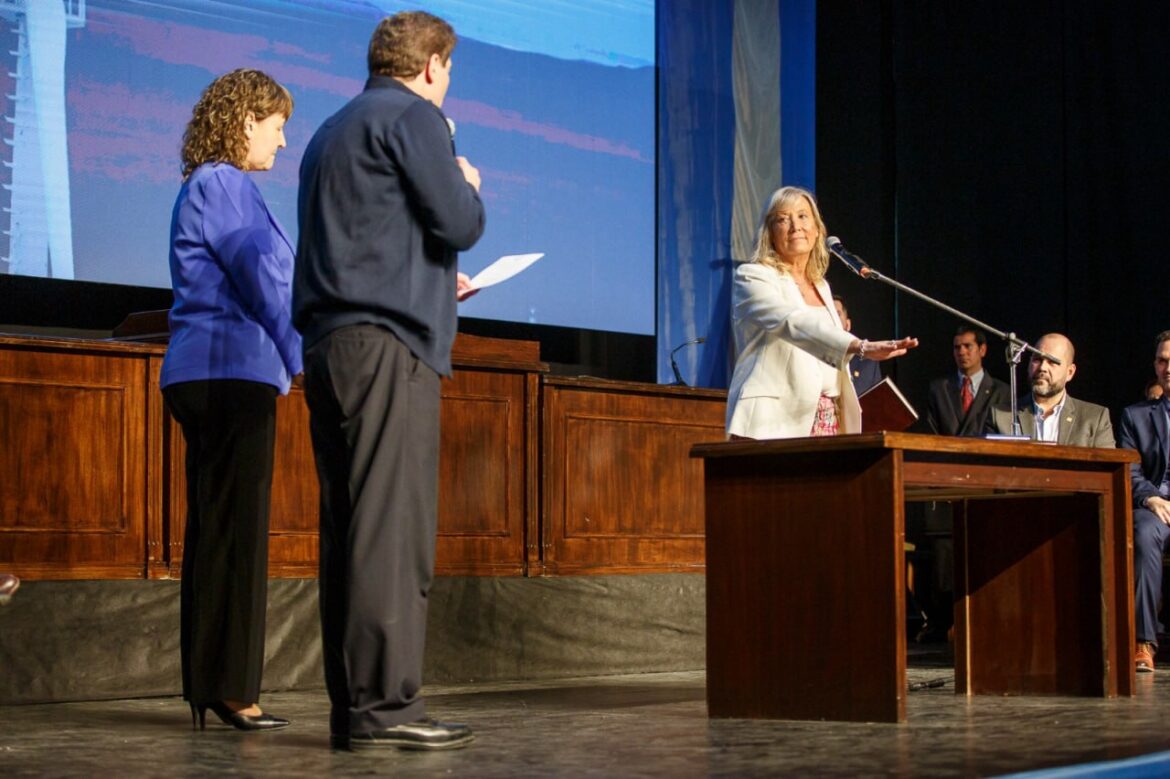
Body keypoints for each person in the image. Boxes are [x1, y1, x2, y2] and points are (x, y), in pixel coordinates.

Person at [293, 11, 485, 751]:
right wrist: (465, 178)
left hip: (331, 344)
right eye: (449, 70)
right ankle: (387, 707)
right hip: (388, 347)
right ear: (433, 64)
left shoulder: (329, 131)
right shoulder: (416, 119)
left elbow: (367, 235)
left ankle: (356, 706)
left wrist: (432, 275)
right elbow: (459, 219)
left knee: (350, 525)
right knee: (390, 529)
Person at [160, 69, 300, 732]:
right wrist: (303, 357)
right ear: (246, 120)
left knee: (214, 531)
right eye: (276, 125)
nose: (282, 139)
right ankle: (237, 689)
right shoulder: (226, 184)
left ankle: (207, 685)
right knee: (239, 532)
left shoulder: (200, 186)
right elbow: (265, 280)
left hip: (201, 372)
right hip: (232, 373)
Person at [725, 185, 916, 439]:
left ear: (817, 230)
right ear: (770, 233)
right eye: (783, 219)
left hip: (827, 418)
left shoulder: (821, 286)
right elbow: (793, 322)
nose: (795, 226)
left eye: (803, 216)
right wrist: (860, 346)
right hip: (774, 421)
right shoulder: (753, 277)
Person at [1118, 330, 1170, 673]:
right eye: (1163, 360)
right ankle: (1143, 643)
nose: (1168, 367)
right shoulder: (1135, 416)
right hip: (1157, 506)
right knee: (1141, 531)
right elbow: (1130, 470)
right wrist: (1150, 496)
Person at [986, 333, 1115, 446]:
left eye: (1052, 362)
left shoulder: (1095, 418)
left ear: (1070, 372)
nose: (1042, 367)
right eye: (1037, 359)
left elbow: (1108, 470)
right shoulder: (1000, 416)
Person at [925, 326, 1010, 437]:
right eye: (957, 347)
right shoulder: (939, 390)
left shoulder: (1002, 392)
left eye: (967, 346)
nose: (961, 352)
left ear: (982, 350)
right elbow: (931, 434)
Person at [833, 295, 883, 395]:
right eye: (828, 314)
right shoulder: (808, 357)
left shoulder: (868, 363)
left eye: (837, 314)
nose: (832, 319)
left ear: (848, 325)